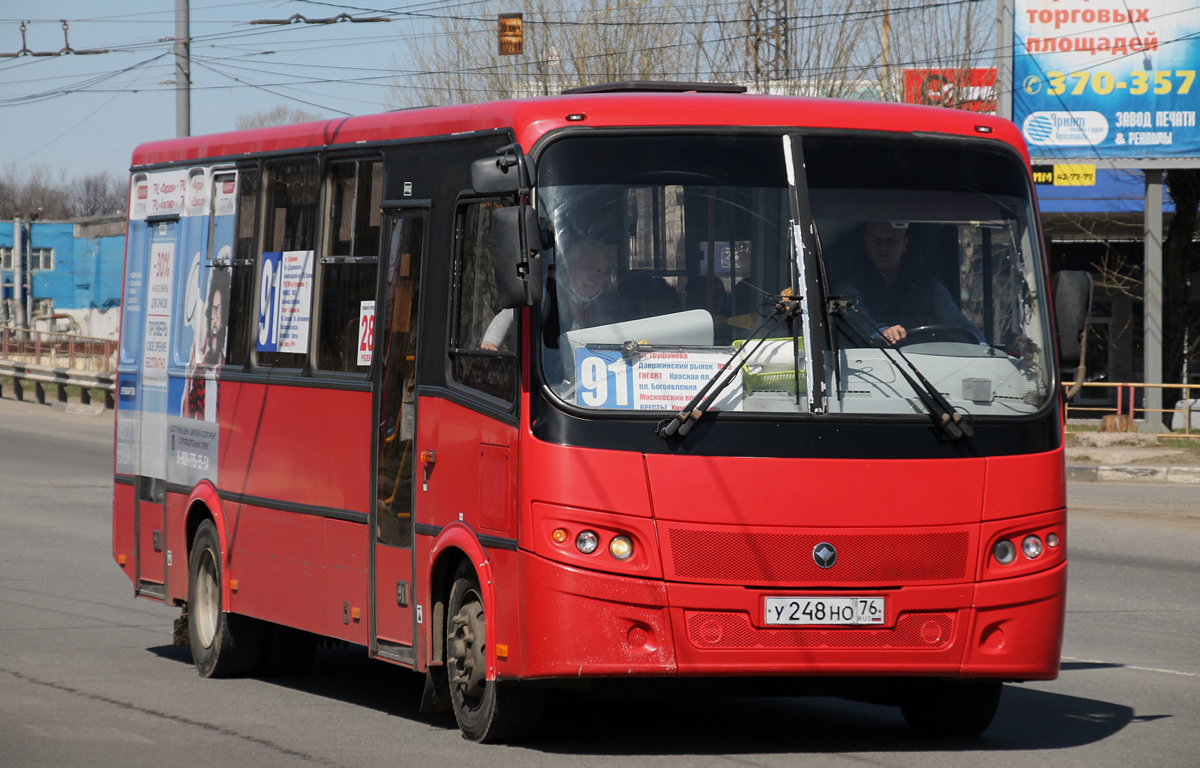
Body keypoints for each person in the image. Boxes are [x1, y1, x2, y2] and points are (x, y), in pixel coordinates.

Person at [836, 221, 983, 345]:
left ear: (904, 245)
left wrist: (982, 345)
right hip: (869, 368)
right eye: (877, 241)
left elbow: (958, 323)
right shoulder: (849, 285)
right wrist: (881, 332)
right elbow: (853, 315)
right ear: (867, 244)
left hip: (923, 368)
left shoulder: (928, 286)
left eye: (890, 241)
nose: (883, 248)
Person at [481, 238, 615, 350]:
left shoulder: (601, 306)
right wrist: (490, 343)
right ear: (568, 268)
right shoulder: (550, 294)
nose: (594, 277)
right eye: (588, 268)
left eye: (600, 272)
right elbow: (510, 315)